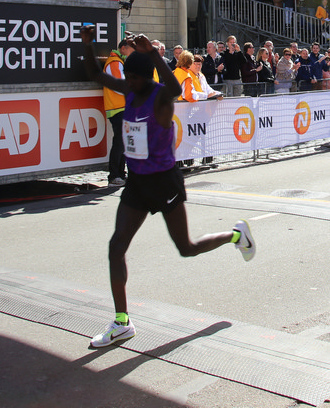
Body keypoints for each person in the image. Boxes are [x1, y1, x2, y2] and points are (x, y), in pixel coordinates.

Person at [79, 26, 255, 349]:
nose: (128, 83)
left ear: (145, 78)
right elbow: (94, 74)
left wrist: (153, 54)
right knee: (116, 247)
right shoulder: (129, 90)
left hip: (164, 181)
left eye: (134, 79)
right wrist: (87, 44)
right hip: (137, 183)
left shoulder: (160, 97)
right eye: (127, 79)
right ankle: (122, 322)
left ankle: (235, 235)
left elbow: (173, 86)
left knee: (186, 247)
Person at [103, 37, 137, 185]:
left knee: (123, 143)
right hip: (117, 108)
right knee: (119, 143)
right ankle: (114, 175)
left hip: (121, 107)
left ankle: (120, 174)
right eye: (131, 50)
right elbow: (120, 85)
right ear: (123, 48)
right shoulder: (114, 62)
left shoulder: (118, 62)